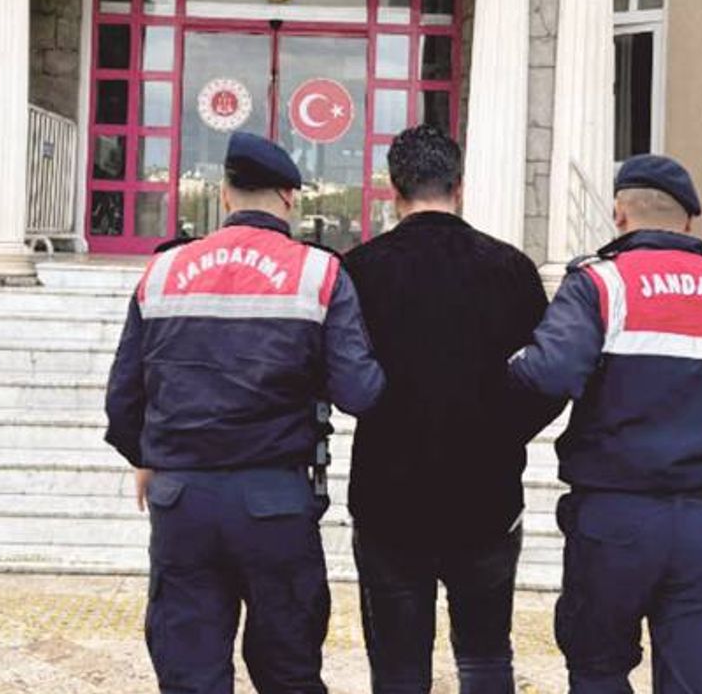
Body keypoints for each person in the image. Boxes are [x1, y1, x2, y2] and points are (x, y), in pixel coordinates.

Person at [508, 154, 702, 694]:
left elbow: (550, 374)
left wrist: (505, 370)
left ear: (619, 214)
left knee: (598, 672)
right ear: (690, 222)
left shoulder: (601, 285)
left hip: (613, 522)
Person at [104, 131, 385, 694]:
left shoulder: (163, 271)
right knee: (289, 673)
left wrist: (148, 456)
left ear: (224, 194)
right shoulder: (318, 273)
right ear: (290, 197)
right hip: (275, 502)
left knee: (190, 675)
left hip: (182, 500)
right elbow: (360, 392)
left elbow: (122, 400)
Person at [343, 124, 565, 694]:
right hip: (486, 494)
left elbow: (340, 373)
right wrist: (504, 427)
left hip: (388, 496)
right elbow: (551, 375)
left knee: (398, 667)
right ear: (459, 187)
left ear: (393, 189)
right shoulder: (511, 268)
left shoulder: (360, 269)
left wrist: (382, 410)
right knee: (486, 657)